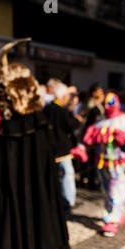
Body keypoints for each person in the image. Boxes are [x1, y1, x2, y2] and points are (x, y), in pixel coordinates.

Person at [0, 38, 70, 249]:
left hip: (30, 187)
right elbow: (3, 158)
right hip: (6, 185)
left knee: (33, 212)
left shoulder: (36, 124)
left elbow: (36, 166)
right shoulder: (11, 125)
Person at [73, 92, 125, 237]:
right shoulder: (99, 121)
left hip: (120, 164)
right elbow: (88, 140)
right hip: (102, 164)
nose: (106, 106)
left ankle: (112, 220)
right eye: (105, 103)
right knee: (106, 192)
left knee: (115, 192)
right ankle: (116, 213)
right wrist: (81, 148)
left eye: (109, 103)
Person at [43, 82, 82, 210]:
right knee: (67, 173)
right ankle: (68, 200)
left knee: (53, 174)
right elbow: (70, 126)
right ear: (62, 96)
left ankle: (52, 198)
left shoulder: (47, 108)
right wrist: (77, 120)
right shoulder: (62, 110)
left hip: (49, 146)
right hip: (62, 147)